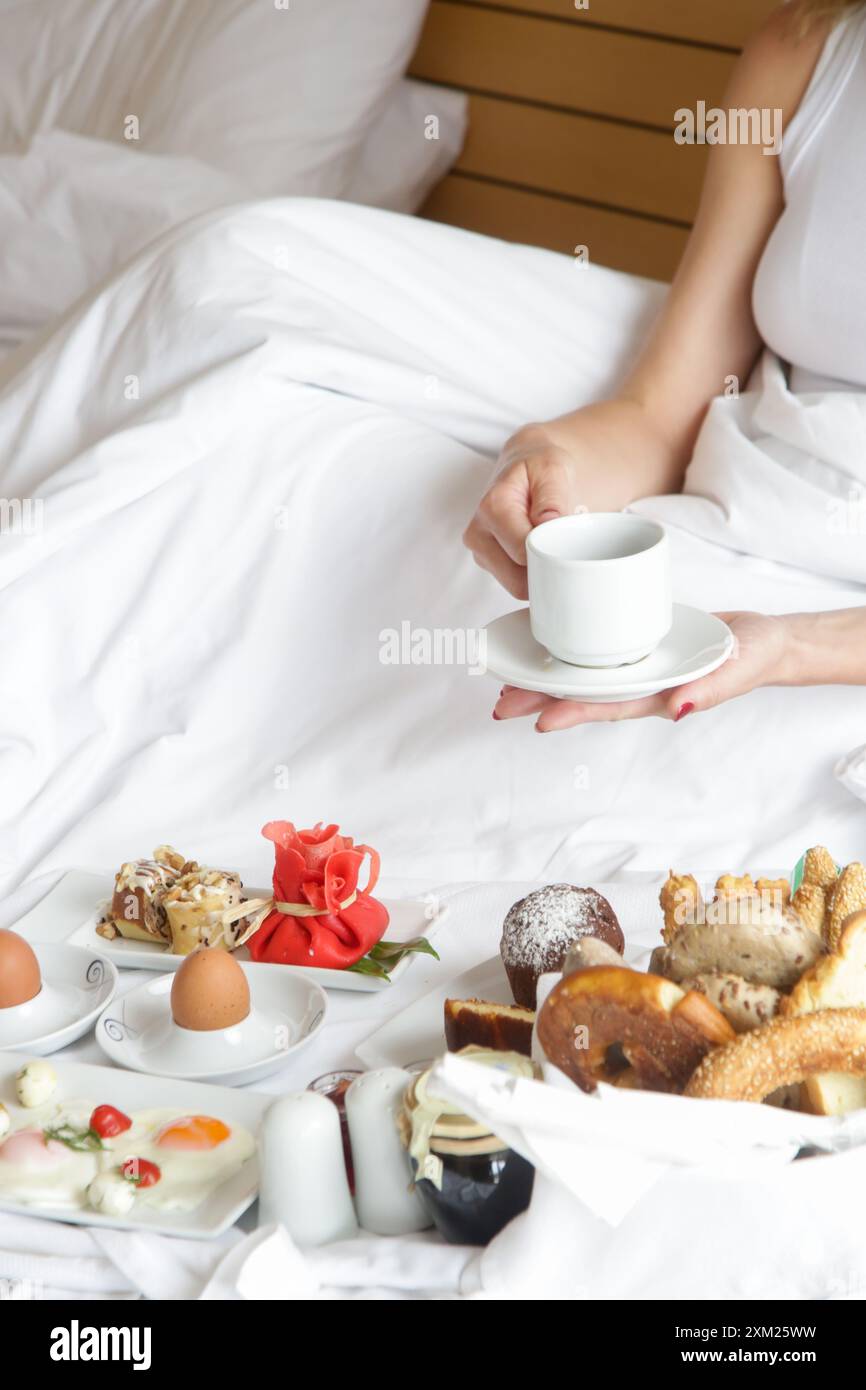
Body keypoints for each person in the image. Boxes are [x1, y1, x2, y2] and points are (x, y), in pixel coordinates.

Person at [463, 0, 866, 732]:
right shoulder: (804, 48)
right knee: (445, 574)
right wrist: (545, 460)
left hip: (835, 633)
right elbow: (661, 415)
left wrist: (791, 646)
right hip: (739, 521)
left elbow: (778, 645)